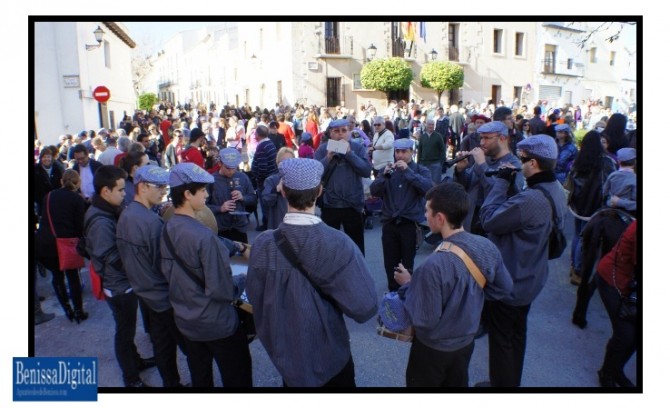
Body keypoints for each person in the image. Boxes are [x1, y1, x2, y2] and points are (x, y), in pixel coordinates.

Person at [246, 158, 377, 387]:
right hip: (331, 355)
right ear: (319, 191)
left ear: (283, 191)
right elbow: (365, 307)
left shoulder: (263, 244)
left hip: (288, 356)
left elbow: (255, 298)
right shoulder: (339, 243)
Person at [394, 182, 512, 387]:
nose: (425, 216)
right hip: (465, 342)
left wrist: (408, 285)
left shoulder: (433, 265)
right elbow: (504, 287)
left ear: (440, 218)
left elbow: (425, 320)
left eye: (427, 211)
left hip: (433, 349)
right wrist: (471, 298)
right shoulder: (486, 246)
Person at [478, 135, 567, 387]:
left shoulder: (532, 199)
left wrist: (500, 183)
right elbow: (523, 214)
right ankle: (511, 382)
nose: (519, 163)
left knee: (502, 340)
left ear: (534, 163)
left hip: (512, 281)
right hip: (531, 276)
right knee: (517, 335)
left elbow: (488, 219)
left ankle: (501, 387)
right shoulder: (554, 188)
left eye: (522, 159)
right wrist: (511, 187)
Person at [160, 163, 252, 388]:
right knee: (237, 377)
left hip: (186, 320)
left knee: (201, 377)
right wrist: (244, 279)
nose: (206, 195)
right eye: (202, 190)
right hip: (216, 323)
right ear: (187, 194)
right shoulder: (204, 237)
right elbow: (222, 290)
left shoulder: (167, 228)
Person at [116, 165, 188, 388]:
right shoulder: (150, 222)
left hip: (146, 294)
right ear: (143, 187)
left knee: (162, 345)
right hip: (163, 295)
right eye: (159, 187)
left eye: (165, 187)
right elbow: (165, 265)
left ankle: (171, 385)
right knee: (192, 347)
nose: (164, 192)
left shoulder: (127, 214)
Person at [84, 165, 156, 387]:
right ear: (106, 191)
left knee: (127, 329)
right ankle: (131, 379)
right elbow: (110, 257)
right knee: (124, 333)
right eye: (121, 190)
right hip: (119, 287)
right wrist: (137, 255)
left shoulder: (107, 209)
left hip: (122, 283)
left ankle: (136, 362)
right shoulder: (100, 221)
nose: (125, 194)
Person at [370, 138, 433, 291]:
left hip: (409, 224)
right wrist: (383, 176)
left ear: (412, 152)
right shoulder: (387, 170)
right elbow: (374, 191)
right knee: (390, 263)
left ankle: (406, 294)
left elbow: (428, 190)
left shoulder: (420, 170)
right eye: (397, 151)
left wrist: (408, 172)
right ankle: (392, 296)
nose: (400, 155)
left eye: (404, 151)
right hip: (389, 223)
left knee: (407, 263)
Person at [452, 121, 523, 236]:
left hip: (492, 227)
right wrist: (460, 170)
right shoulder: (485, 159)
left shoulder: (513, 164)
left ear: (502, 138)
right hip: (471, 223)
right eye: (481, 138)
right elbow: (465, 186)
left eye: (486, 138)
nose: (481, 143)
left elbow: (499, 193)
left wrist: (482, 165)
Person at [35, 170, 87, 323]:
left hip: (44, 243)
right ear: (77, 183)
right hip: (65, 244)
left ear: (61, 181)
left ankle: (68, 310)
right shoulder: (76, 199)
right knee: (73, 277)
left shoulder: (49, 196)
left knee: (57, 277)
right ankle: (78, 311)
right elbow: (79, 226)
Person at [565, 131, 617, 285]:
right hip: (595, 206)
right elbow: (611, 183)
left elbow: (572, 181)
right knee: (585, 238)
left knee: (577, 234)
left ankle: (574, 266)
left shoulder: (578, 160)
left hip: (578, 205)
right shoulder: (606, 162)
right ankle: (578, 271)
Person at [315, 118, 372, 255]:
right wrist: (327, 158)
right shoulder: (323, 149)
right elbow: (314, 174)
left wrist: (349, 154)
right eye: (336, 131)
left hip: (352, 205)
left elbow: (366, 171)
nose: (340, 134)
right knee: (329, 248)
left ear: (349, 132)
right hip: (330, 205)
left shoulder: (357, 148)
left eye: (344, 130)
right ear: (331, 133)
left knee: (356, 248)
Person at [595, 220, 637, 388]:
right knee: (625, 334)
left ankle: (616, 370)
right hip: (612, 282)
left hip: (629, 285)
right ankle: (606, 373)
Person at [207, 148, 256, 243]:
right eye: (228, 168)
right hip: (221, 230)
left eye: (234, 168)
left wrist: (243, 198)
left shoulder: (243, 177)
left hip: (240, 228)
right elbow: (203, 207)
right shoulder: (211, 180)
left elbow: (253, 199)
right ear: (220, 164)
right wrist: (220, 208)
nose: (231, 171)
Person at [251, 125, 278, 232]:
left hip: (264, 181)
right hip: (270, 177)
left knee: (265, 203)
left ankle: (267, 224)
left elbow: (262, 167)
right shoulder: (270, 143)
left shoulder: (262, 146)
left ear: (257, 134)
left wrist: (258, 178)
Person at [261, 147, 295, 230]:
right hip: (278, 224)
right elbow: (265, 200)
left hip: (296, 224)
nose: (287, 165)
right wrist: (276, 190)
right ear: (277, 163)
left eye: (290, 161)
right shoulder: (271, 180)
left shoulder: (298, 179)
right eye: (283, 162)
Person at [603, 147, 636, 214]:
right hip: (628, 212)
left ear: (619, 161)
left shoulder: (612, 175)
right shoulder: (634, 178)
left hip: (610, 208)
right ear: (634, 162)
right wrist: (620, 202)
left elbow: (604, 192)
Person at [35, 148, 64, 218]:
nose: (46, 159)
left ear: (51, 158)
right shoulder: (36, 170)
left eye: (48, 157)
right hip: (41, 202)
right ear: (41, 158)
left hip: (56, 201)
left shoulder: (57, 169)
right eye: (44, 157)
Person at [417, 118, 446, 185]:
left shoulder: (438, 136)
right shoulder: (422, 137)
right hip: (423, 164)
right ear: (426, 125)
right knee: (424, 184)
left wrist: (440, 164)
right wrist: (419, 163)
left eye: (432, 125)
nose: (431, 126)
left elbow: (442, 150)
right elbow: (419, 151)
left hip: (435, 164)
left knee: (435, 184)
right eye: (429, 124)